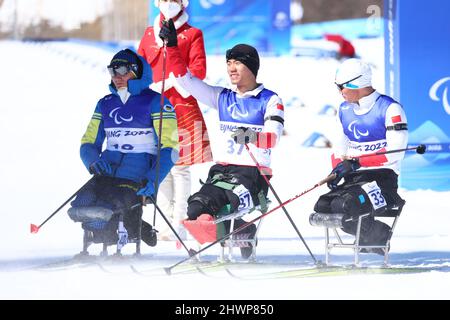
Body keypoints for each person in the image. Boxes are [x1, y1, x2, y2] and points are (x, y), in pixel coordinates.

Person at [159, 20, 285, 258]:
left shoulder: (269, 99)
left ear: (251, 67)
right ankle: (241, 232)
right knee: (196, 206)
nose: (231, 68)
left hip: (253, 174)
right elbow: (185, 79)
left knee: (221, 206)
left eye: (237, 62)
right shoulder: (221, 96)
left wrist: (248, 136)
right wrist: (173, 47)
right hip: (222, 172)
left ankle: (232, 233)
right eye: (229, 63)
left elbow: (272, 139)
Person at [69, 48, 179, 249]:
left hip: (136, 177)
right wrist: (94, 162)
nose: (116, 76)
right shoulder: (105, 104)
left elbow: (171, 148)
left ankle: (128, 226)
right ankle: (131, 226)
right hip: (107, 174)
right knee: (81, 206)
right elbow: (88, 143)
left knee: (103, 213)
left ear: (136, 71)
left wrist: (153, 179)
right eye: (112, 71)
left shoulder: (156, 102)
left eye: (122, 70)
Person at [314, 58, 408, 254]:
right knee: (324, 205)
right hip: (354, 179)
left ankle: (378, 235)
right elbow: (340, 148)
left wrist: (357, 162)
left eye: (341, 86)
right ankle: (372, 235)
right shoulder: (344, 110)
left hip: (382, 180)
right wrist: (337, 169)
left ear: (356, 83)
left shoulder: (390, 108)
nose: (340, 91)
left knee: (345, 205)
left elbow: (396, 153)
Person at [137, 0, 212, 241]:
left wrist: (172, 81)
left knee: (180, 167)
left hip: (180, 107)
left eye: (175, 0)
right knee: (161, 167)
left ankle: (180, 223)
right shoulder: (149, 34)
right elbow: (139, 68)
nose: (170, 4)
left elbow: (198, 72)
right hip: (153, 107)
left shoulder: (193, 34)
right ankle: (168, 221)